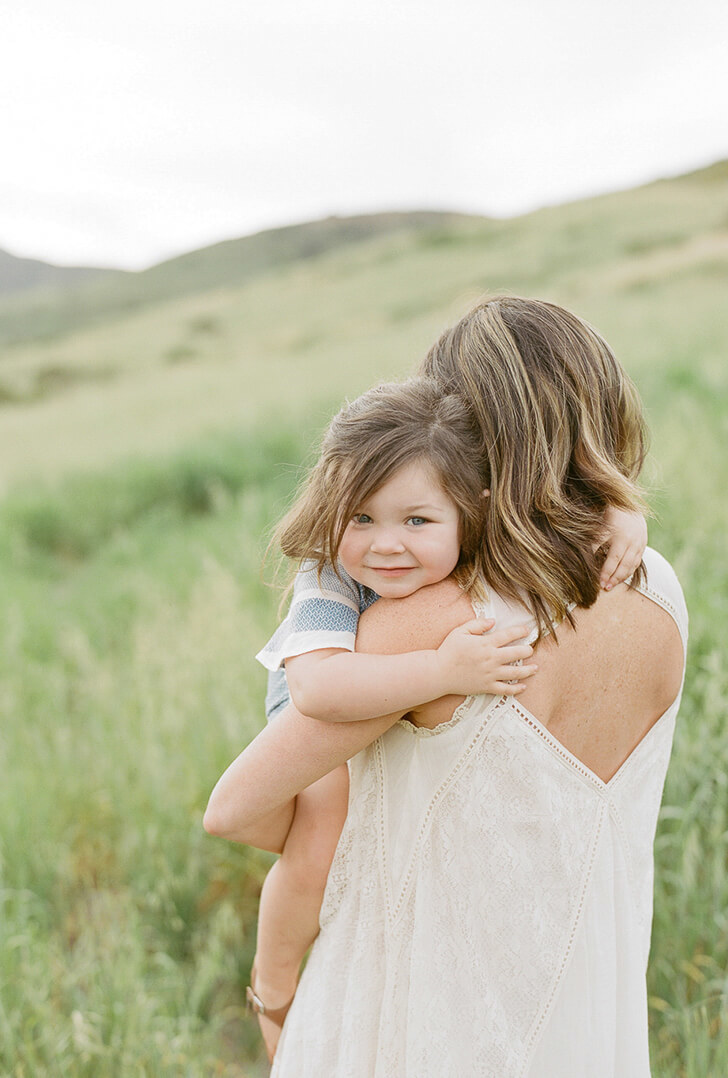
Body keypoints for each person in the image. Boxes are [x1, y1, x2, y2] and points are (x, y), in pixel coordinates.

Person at [205, 296, 685, 1076]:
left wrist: (275, 986)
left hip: (418, 1027)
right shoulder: (657, 589)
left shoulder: (424, 625)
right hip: (587, 1015)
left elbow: (233, 808)